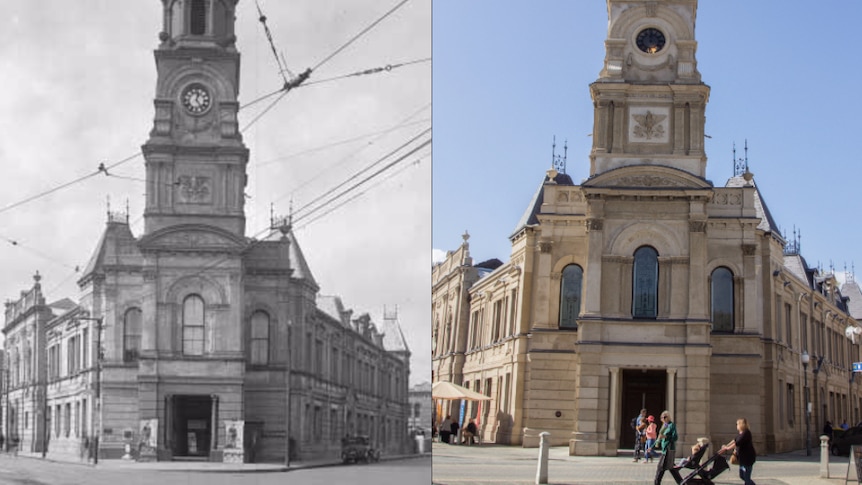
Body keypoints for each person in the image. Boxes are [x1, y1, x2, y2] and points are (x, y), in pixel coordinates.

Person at [719, 417, 757, 485]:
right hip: (742, 459)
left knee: (746, 478)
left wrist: (727, 448)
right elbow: (734, 440)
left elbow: (737, 443)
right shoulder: (741, 433)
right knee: (742, 476)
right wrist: (726, 446)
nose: (736, 426)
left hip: (747, 459)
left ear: (741, 425)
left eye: (737, 424)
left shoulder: (746, 433)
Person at [651, 410, 678, 485]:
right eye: (662, 417)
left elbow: (675, 437)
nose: (663, 419)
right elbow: (659, 437)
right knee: (671, 467)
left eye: (664, 417)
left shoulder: (671, 425)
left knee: (661, 467)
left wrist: (666, 437)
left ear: (668, 417)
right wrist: (652, 447)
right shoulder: (664, 426)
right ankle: (681, 482)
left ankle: (656, 483)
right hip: (664, 450)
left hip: (668, 450)